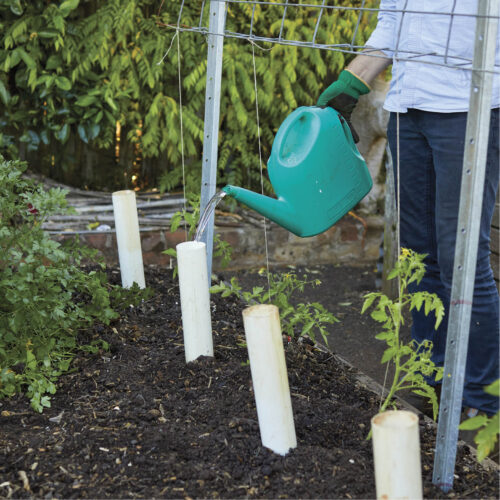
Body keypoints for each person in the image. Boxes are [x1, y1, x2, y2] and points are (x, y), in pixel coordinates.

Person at [317, 0, 499, 417]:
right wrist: (352, 79)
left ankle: (481, 398)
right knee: (417, 254)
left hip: (468, 108)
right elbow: (393, 22)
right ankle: (428, 376)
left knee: (463, 258)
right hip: (407, 109)